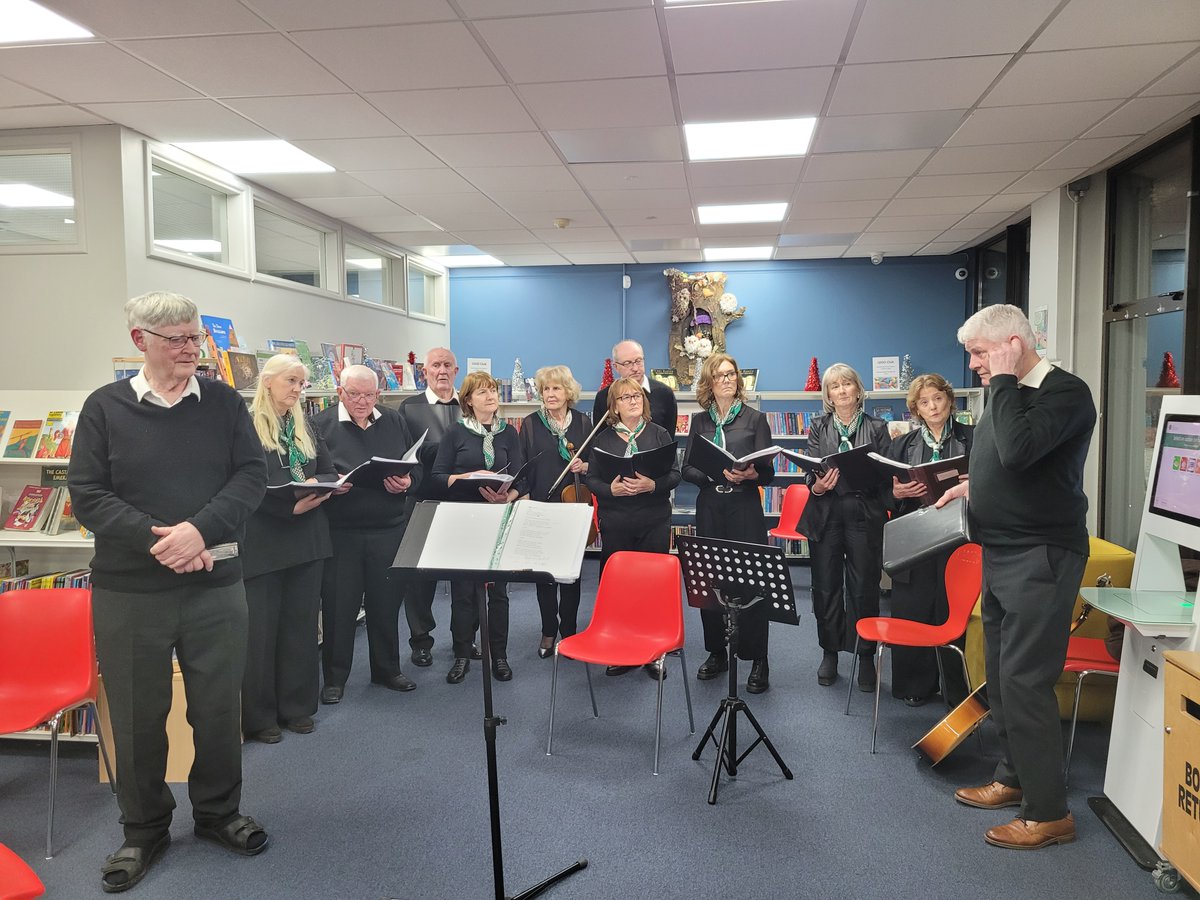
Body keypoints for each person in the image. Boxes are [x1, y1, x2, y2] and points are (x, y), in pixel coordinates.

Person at [68, 291, 269, 893]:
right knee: (136, 717)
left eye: (194, 338)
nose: (190, 350)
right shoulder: (103, 407)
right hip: (130, 594)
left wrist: (199, 531)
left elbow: (251, 475)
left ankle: (218, 813)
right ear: (140, 342)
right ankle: (143, 829)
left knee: (214, 709)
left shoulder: (225, 402)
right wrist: (164, 541)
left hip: (216, 587)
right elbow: (88, 494)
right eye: (177, 339)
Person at [939, 304, 1095, 850]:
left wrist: (1002, 379)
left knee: (1027, 680)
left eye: (982, 354)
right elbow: (999, 460)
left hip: (1042, 555)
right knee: (1003, 677)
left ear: (1012, 343)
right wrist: (972, 488)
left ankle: (1049, 811)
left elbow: (1021, 450)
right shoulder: (1004, 390)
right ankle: (1013, 777)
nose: (976, 365)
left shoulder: (1064, 393)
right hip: (1002, 550)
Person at [241, 354, 341, 743]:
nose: (299, 390)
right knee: (260, 633)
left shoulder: (308, 425)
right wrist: (289, 504)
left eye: (302, 383)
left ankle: (297, 707)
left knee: (301, 627)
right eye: (291, 382)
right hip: (265, 540)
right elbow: (245, 482)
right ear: (267, 382)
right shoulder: (247, 427)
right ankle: (261, 717)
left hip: (308, 538)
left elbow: (330, 470)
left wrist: (320, 488)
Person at [312, 364, 420, 704]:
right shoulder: (320, 424)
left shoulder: (392, 419)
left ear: (379, 394)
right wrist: (331, 486)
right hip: (340, 531)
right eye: (354, 394)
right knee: (339, 607)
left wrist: (407, 482)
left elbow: (411, 464)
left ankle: (387, 669)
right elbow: (312, 473)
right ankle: (335, 678)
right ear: (339, 392)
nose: (362, 401)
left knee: (386, 604)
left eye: (369, 395)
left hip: (388, 528)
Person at [682, 353, 776, 693]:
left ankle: (757, 658)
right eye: (720, 375)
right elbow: (687, 469)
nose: (727, 379)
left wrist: (752, 474)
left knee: (751, 583)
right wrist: (710, 473)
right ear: (709, 382)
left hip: (744, 507)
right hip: (710, 506)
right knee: (711, 583)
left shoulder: (755, 419)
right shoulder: (699, 422)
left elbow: (768, 471)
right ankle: (717, 652)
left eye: (731, 374)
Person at [799, 363, 892, 689]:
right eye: (834, 386)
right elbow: (809, 470)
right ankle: (830, 651)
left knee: (864, 585)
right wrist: (817, 486)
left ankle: (865, 654)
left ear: (857, 389)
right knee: (825, 585)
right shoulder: (817, 426)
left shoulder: (877, 427)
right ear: (827, 395)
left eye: (847, 384)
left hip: (863, 513)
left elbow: (885, 475)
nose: (841, 391)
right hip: (826, 512)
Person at [885, 373, 973, 707]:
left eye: (938, 398)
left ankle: (955, 687)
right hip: (916, 535)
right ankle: (915, 685)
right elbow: (885, 491)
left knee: (953, 609)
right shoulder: (902, 445)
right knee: (913, 607)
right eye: (924, 402)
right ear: (916, 410)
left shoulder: (972, 438)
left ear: (949, 401)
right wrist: (895, 492)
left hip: (957, 534)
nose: (932, 406)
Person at [431, 370, 525, 684]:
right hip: (464, 520)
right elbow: (437, 477)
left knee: (498, 592)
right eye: (482, 392)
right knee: (464, 592)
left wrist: (508, 496)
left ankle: (499, 655)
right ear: (468, 400)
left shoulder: (509, 433)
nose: (490, 397)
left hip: (499, 518)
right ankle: (461, 653)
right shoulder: (455, 432)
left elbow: (523, 477)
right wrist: (464, 478)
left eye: (493, 391)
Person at [585, 375, 681, 679]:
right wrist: (611, 491)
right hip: (617, 523)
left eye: (637, 396)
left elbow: (675, 475)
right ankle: (622, 650)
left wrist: (653, 484)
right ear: (614, 406)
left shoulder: (660, 434)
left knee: (651, 587)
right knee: (621, 589)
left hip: (654, 520)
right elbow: (592, 480)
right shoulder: (603, 440)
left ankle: (654, 652)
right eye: (625, 397)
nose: (633, 401)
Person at [398, 347, 465, 667]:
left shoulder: (469, 404)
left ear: (457, 370)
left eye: (447, 366)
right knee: (420, 576)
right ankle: (421, 640)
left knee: (463, 576)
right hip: (423, 499)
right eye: (435, 365)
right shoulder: (408, 408)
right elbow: (403, 454)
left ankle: (464, 639)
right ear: (424, 371)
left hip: (464, 502)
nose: (442, 371)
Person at [519, 365, 592, 658]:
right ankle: (549, 630)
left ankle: (570, 632)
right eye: (546, 389)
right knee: (545, 576)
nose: (550, 394)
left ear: (568, 392)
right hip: (542, 506)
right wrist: (525, 501)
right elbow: (522, 465)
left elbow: (595, 464)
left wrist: (584, 466)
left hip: (572, 506)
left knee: (571, 575)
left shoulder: (584, 424)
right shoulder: (530, 423)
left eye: (556, 388)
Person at [592, 339, 678, 435]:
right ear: (616, 367)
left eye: (638, 361)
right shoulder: (604, 397)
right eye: (627, 363)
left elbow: (669, 438)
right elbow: (600, 440)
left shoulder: (664, 393)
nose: (635, 368)